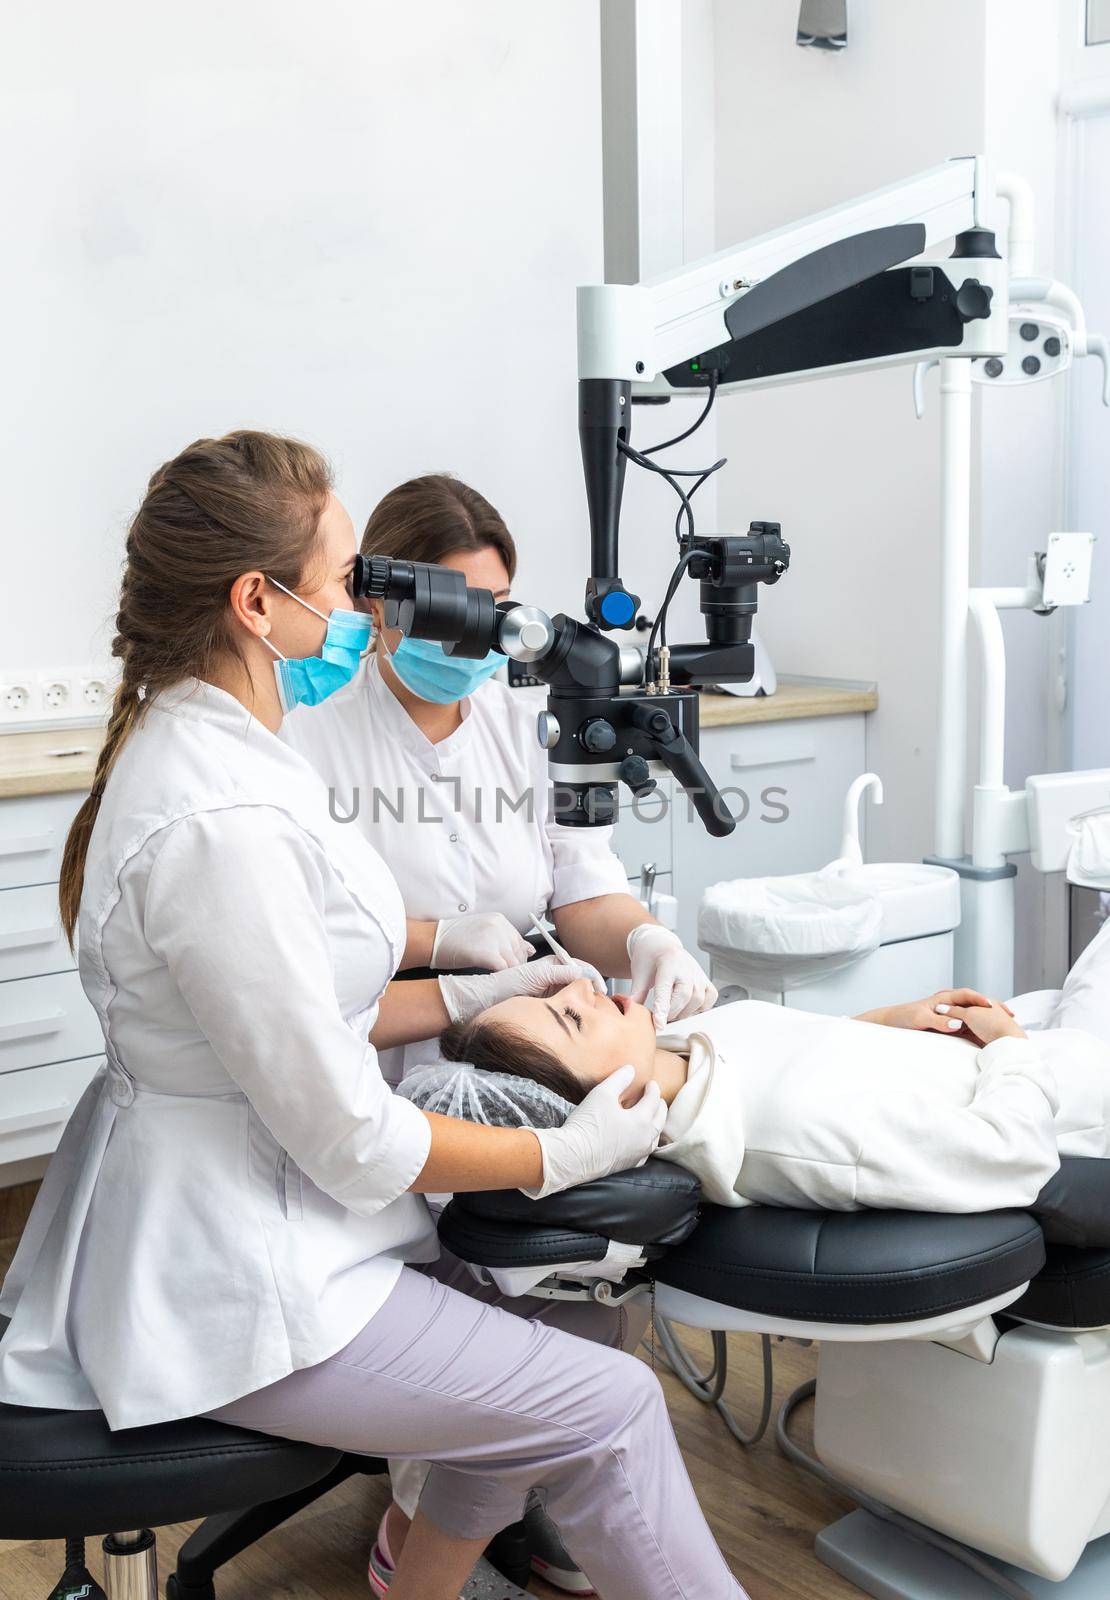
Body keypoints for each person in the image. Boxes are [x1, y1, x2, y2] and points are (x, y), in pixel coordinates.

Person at [0, 432, 750, 1600]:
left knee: (554, 1355)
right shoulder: (226, 813)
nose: (366, 605)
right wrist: (565, 1148)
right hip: (250, 1273)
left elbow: (297, 976)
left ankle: (419, 1578)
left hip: (280, 1206)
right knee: (609, 1405)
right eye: (350, 577)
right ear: (258, 600)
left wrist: (468, 978)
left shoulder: (223, 749)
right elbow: (353, 1136)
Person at [281, 472, 717, 1094]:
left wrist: (649, 941)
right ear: (381, 600)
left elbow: (582, 893)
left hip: (532, 1074)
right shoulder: (306, 733)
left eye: (500, 606)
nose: (483, 633)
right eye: (459, 608)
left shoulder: (528, 727)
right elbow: (299, 936)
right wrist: (438, 943)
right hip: (364, 1077)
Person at [421, 944, 1110, 1214]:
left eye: (549, 995)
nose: (577, 992)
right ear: (595, 1104)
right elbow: (1012, 1156)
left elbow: (807, 1050)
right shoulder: (788, 1131)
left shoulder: (689, 1053)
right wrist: (1012, 1049)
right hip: (1081, 1094)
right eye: (567, 1022)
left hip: (1038, 1041)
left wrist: (890, 1019)